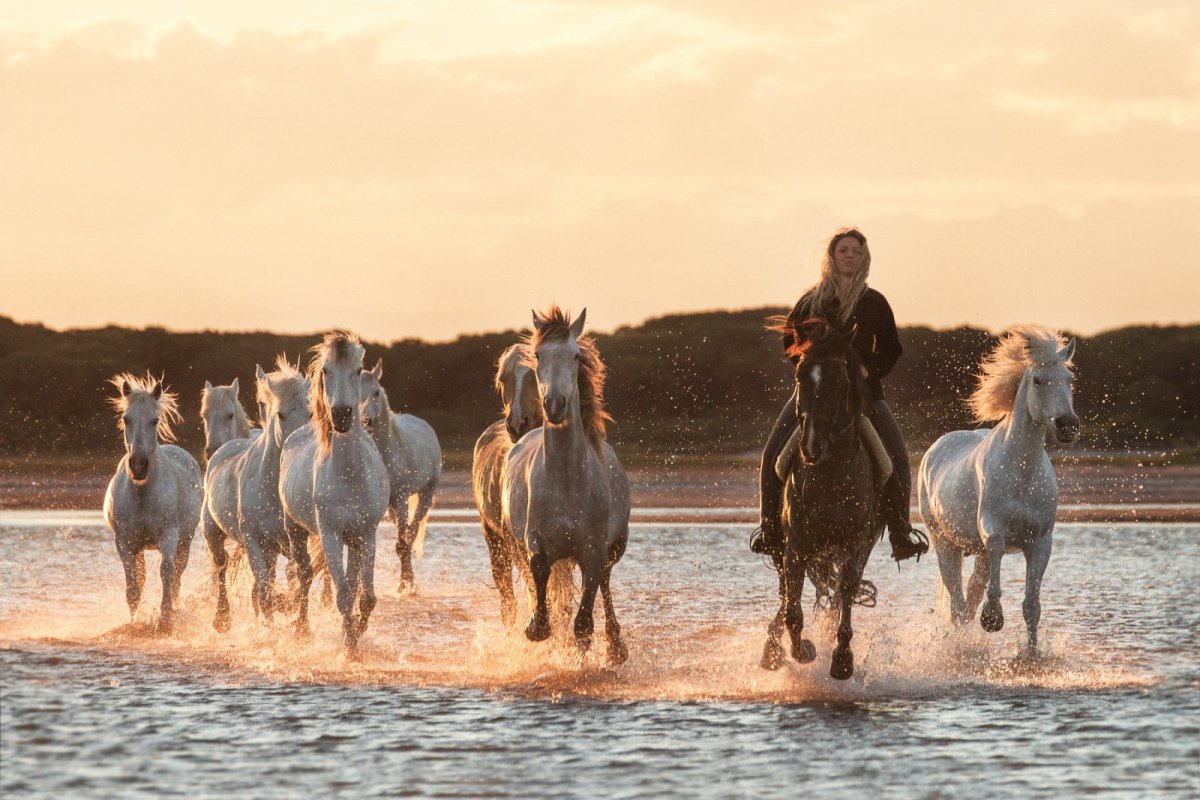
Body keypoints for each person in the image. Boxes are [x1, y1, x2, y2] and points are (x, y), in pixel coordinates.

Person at [749, 227, 929, 562]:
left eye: (856, 251)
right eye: (843, 250)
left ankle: (900, 533)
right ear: (831, 256)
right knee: (773, 455)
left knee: (898, 459)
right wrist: (811, 365)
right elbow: (789, 343)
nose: (849, 256)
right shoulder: (812, 300)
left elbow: (892, 349)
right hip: (816, 394)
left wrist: (867, 370)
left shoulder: (875, 302)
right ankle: (770, 528)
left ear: (864, 258)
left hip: (865, 395)